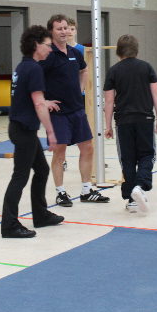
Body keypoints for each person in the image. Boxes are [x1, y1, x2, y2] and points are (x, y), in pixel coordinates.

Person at [2, 26, 65, 238]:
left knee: (42, 170)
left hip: (21, 127)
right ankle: (9, 225)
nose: (50, 49)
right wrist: (51, 132)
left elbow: (30, 98)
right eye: (47, 45)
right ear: (36, 45)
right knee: (20, 176)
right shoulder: (34, 69)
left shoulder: (23, 67)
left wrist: (44, 102)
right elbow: (38, 104)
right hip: (23, 129)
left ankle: (41, 215)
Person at [40, 14, 109, 206]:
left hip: (76, 110)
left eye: (66, 28)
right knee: (59, 153)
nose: (64, 32)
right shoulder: (46, 55)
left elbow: (83, 70)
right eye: (59, 29)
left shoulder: (75, 53)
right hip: (57, 113)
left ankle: (86, 190)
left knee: (87, 148)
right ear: (51, 32)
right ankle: (60, 192)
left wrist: (80, 90)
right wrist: (44, 101)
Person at [103, 35, 157, 213]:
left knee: (127, 159)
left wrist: (108, 126)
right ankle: (140, 186)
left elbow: (109, 101)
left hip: (123, 121)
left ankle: (131, 198)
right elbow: (156, 95)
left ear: (118, 52)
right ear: (136, 50)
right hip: (145, 119)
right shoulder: (146, 67)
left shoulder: (113, 71)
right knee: (147, 155)